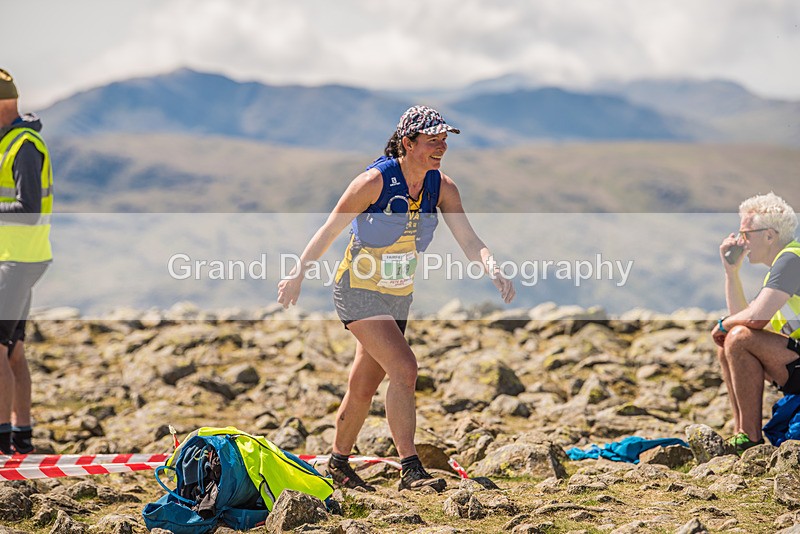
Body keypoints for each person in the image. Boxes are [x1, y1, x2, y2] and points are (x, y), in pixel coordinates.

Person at [277, 105, 515, 492]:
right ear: (408, 142)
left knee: (363, 385)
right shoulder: (373, 182)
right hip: (357, 289)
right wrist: (297, 273)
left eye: (444, 140)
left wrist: (492, 267)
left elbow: (469, 239)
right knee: (405, 368)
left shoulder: (443, 187)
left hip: (397, 296)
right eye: (432, 140)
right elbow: (330, 228)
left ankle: (338, 463)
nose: (441, 147)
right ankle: (410, 469)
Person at [712, 192, 800, 454]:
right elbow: (745, 319)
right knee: (730, 343)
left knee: (738, 338)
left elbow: (754, 319)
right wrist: (731, 272)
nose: (741, 241)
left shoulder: (791, 260)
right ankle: (741, 433)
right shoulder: (784, 264)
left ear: (769, 236)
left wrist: (723, 324)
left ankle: (749, 438)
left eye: (746, 234)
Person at [0, 69, 54, 455]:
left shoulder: (23, 147)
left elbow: (28, 209)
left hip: (17, 261)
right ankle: (21, 438)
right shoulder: (11, 142)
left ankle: (3, 443)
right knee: (13, 350)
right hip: (20, 259)